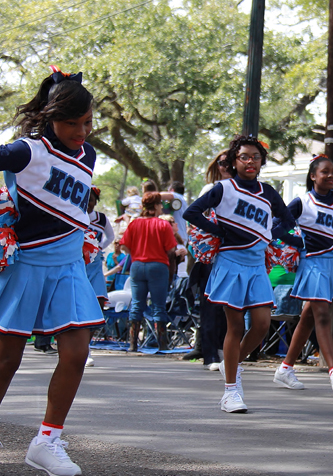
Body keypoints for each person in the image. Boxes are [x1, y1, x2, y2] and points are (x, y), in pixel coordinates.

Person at [0, 67, 104, 476]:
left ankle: (47, 440)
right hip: (28, 263)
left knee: (76, 353)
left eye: (87, 122)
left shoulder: (88, 156)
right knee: (8, 358)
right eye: (72, 123)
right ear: (51, 117)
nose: (81, 131)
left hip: (70, 263)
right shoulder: (28, 150)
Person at [183, 134, 300, 413]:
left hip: (257, 265)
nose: (250, 161)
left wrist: (271, 234)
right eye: (244, 157)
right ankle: (230, 392)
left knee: (260, 325)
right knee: (235, 327)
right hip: (230, 263)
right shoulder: (224, 188)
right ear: (234, 161)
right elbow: (192, 212)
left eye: (256, 157)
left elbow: (288, 219)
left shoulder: (268, 192)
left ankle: (231, 365)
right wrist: (218, 231)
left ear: (262, 162)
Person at [271, 155, 333, 394]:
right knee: (323, 313)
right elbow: (276, 226)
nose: (331, 176)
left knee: (309, 317)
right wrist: (298, 242)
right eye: (325, 172)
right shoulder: (303, 201)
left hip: (332, 264)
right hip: (312, 263)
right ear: (313, 176)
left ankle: (285, 368)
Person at [182, 151, 232, 367]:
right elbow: (194, 218)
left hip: (236, 254)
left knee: (230, 306)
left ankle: (224, 350)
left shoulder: (250, 190)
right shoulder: (212, 190)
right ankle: (210, 353)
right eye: (222, 163)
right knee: (211, 304)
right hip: (212, 256)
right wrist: (218, 230)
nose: (227, 167)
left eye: (230, 162)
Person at [119, 192, 177, 351]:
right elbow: (171, 249)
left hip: (137, 265)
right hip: (158, 266)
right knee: (159, 306)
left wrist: (137, 253)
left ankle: (133, 345)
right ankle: (162, 344)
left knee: (137, 304)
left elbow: (124, 246)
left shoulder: (134, 223)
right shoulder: (163, 225)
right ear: (157, 206)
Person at [86, 186, 115, 310]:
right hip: (77, 260)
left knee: (98, 299)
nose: (87, 203)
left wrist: (100, 247)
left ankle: (95, 326)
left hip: (94, 262)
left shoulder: (101, 218)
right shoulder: (75, 216)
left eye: (90, 200)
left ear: (95, 202)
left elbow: (110, 236)